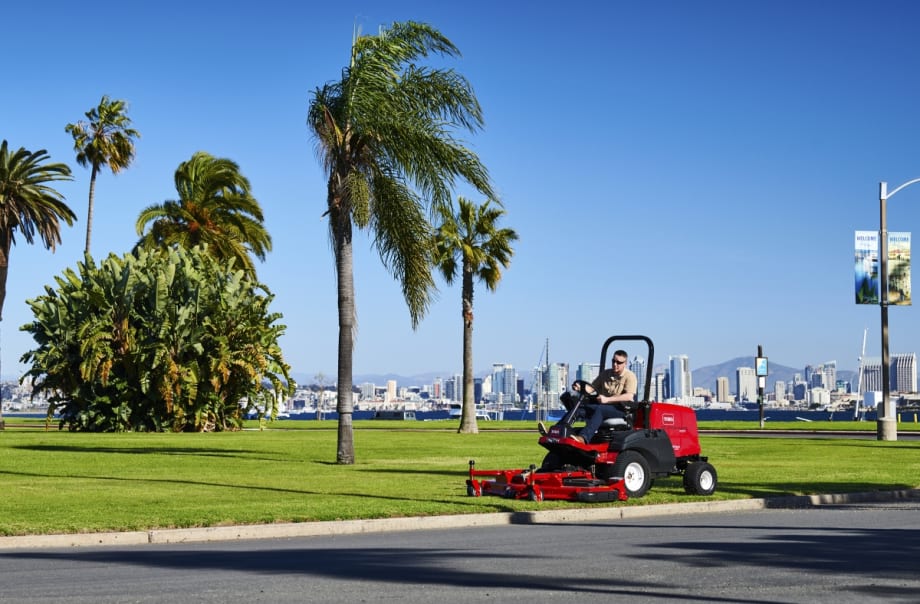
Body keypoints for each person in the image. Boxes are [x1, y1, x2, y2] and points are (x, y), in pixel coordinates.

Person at [570, 349, 637, 443]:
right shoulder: (605, 374)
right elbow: (590, 389)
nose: (615, 364)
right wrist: (579, 388)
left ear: (625, 363)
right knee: (580, 408)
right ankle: (557, 430)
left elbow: (629, 396)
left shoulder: (630, 376)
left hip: (621, 409)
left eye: (619, 362)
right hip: (604, 406)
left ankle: (583, 438)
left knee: (600, 410)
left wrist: (607, 400)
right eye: (613, 361)